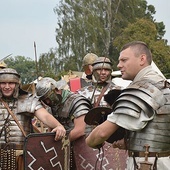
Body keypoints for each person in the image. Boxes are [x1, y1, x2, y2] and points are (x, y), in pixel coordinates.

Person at [86, 41, 170, 170]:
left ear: (142, 59)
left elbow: (102, 133)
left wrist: (90, 141)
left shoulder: (141, 89)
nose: (119, 65)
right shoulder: (164, 86)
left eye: (124, 60)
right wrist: (130, 142)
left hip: (146, 164)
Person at [0, 68, 66, 170]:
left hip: (21, 157)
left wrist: (58, 126)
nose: (7, 87)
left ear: (17, 84)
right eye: (3, 83)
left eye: (11, 83)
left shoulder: (28, 100)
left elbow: (45, 116)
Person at [77, 57, 127, 169]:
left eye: (107, 70)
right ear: (94, 71)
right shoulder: (82, 93)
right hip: (90, 138)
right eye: (100, 69)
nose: (103, 72)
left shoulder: (120, 91)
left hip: (113, 138)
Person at [35, 77, 92, 169]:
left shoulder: (76, 101)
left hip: (84, 149)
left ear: (56, 90)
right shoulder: (51, 108)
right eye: (44, 100)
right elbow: (51, 133)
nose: (47, 102)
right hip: (65, 151)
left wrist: (59, 142)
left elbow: (80, 130)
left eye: (48, 97)